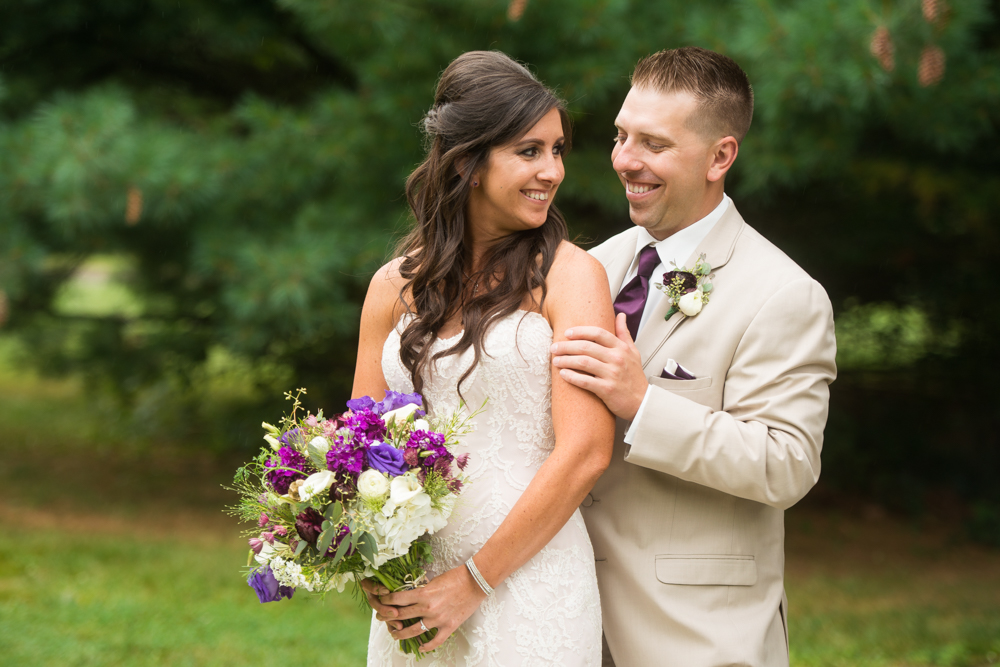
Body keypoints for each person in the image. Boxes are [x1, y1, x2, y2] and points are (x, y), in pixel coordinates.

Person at [550, 47, 837, 667]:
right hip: (560, 612)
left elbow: (787, 464)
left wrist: (642, 402)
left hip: (695, 635)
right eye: (621, 135)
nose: (624, 160)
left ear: (720, 156)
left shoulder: (784, 294)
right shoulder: (592, 265)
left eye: (653, 144)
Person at [353, 50, 615, 666]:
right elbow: (357, 440)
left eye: (557, 150)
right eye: (529, 151)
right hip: (414, 588)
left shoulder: (574, 277)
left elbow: (586, 452)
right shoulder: (392, 285)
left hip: (531, 581)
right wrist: (364, 555)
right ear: (469, 162)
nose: (552, 170)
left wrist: (471, 583)